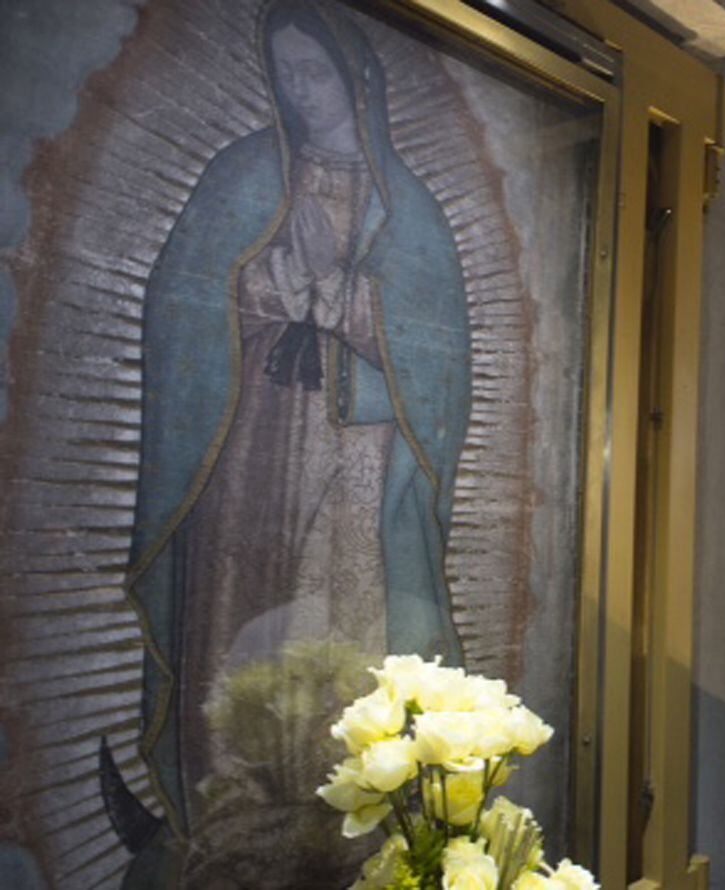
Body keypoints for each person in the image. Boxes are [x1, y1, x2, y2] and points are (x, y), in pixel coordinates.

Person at [120, 0, 470, 881]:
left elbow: (439, 366)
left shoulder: (411, 213)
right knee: (240, 611)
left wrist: (347, 301)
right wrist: (266, 285)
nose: (300, 91)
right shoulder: (242, 176)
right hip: (247, 451)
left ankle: (340, 816)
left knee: (338, 615)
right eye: (285, 74)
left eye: (314, 71)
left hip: (356, 462)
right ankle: (231, 816)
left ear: (355, 77)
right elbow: (181, 308)